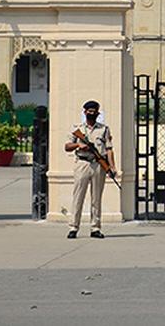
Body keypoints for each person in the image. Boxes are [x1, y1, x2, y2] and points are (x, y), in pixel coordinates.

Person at [65, 99, 115, 239]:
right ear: (85, 112)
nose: (91, 114)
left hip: (98, 164)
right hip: (82, 163)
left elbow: (109, 149)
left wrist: (112, 166)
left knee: (96, 198)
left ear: (98, 113)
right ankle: (73, 227)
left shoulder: (104, 129)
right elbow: (67, 147)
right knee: (78, 197)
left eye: (94, 112)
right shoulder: (78, 129)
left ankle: (95, 227)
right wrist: (78, 146)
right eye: (89, 112)